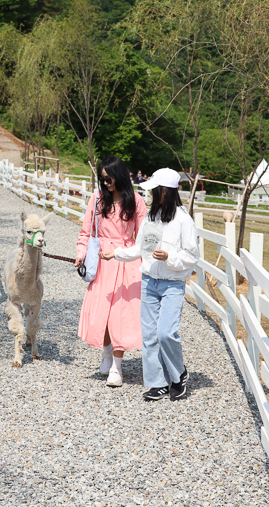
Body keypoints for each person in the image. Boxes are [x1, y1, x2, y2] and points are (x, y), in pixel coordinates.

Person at [100, 168, 199, 401]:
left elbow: (192, 257)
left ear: (165, 191)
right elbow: (140, 249)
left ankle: (178, 374)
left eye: (155, 191)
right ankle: (157, 383)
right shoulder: (151, 218)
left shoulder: (184, 220)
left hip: (172, 285)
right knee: (150, 336)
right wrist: (115, 254)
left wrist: (170, 258)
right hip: (149, 282)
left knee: (166, 333)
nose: (151, 195)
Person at [74, 156, 148, 387]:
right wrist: (81, 253)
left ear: (121, 176)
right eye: (102, 179)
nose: (105, 183)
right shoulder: (96, 199)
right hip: (102, 261)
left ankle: (117, 367)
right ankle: (106, 353)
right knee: (101, 313)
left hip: (126, 262)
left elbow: (144, 238)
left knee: (120, 315)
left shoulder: (135, 201)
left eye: (109, 178)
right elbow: (85, 232)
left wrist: (146, 264)